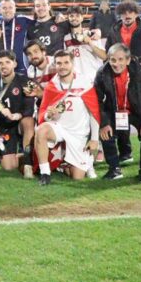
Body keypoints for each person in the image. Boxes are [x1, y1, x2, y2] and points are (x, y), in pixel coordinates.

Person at [33, 51, 101, 185]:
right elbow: (44, 115)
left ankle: (73, 164)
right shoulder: (52, 85)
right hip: (59, 128)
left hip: (78, 133)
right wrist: (49, 115)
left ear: (72, 63)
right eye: (59, 63)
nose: (62, 66)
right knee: (41, 130)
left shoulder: (84, 82)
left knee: (77, 177)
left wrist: (94, 139)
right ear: (55, 65)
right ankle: (45, 173)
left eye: (66, 62)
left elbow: (93, 112)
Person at [94, 43, 141, 182]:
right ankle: (114, 169)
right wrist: (104, 123)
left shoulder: (140, 72)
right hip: (115, 111)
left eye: (120, 59)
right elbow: (97, 101)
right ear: (108, 60)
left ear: (128, 60)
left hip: (138, 111)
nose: (116, 64)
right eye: (113, 60)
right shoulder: (102, 73)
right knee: (105, 134)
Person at [0, 50, 36, 174]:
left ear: (15, 64)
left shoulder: (25, 80)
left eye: (7, 62)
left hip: (21, 121)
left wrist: (16, 115)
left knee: (28, 122)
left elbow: (29, 107)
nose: (4, 66)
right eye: (0, 63)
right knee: (8, 167)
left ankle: (28, 164)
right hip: (5, 125)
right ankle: (27, 156)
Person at [63, 5, 107, 78]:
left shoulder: (92, 35)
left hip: (93, 77)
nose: (74, 18)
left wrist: (90, 43)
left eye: (77, 16)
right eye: (71, 16)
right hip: (76, 79)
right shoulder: (66, 38)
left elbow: (104, 56)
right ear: (68, 18)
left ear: (82, 18)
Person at [0, 0, 34, 73]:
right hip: (3, 68)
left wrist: (56, 17)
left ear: (15, 9)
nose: (7, 10)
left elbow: (41, 21)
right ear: (0, 10)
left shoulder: (23, 20)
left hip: (22, 67)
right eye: (4, 8)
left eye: (10, 7)